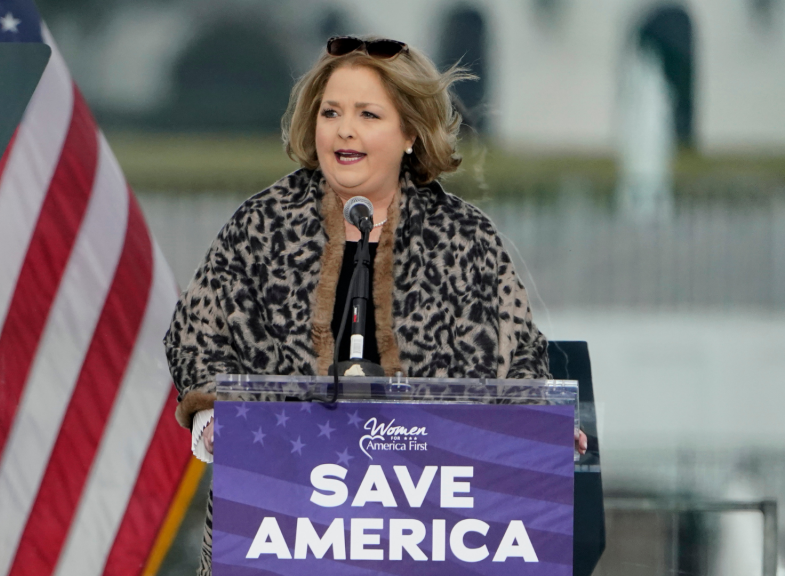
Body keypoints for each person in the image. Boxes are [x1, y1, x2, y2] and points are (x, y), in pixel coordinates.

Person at [163, 35, 583, 576]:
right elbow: (197, 334)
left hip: (428, 529)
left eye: (367, 114)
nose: (344, 129)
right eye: (331, 112)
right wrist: (212, 415)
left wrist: (540, 431)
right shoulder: (261, 224)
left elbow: (519, 357)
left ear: (410, 131)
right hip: (282, 526)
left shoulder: (465, 237)